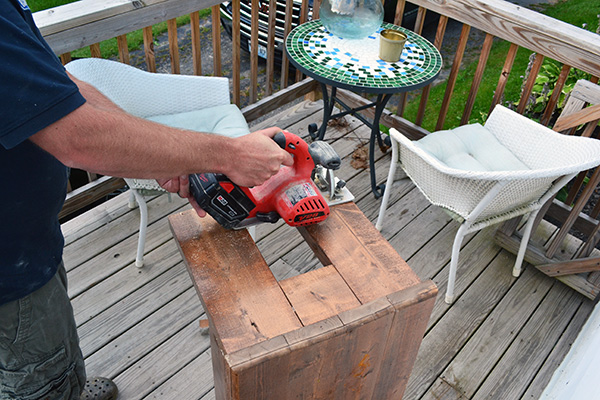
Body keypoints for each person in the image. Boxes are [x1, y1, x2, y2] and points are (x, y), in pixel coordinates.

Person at [0, 1, 293, 399]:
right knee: (34, 372)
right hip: (8, 263)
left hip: (29, 234)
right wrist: (231, 155)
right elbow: (76, 137)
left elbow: (60, 86)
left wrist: (160, 156)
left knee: (46, 341)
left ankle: (66, 383)